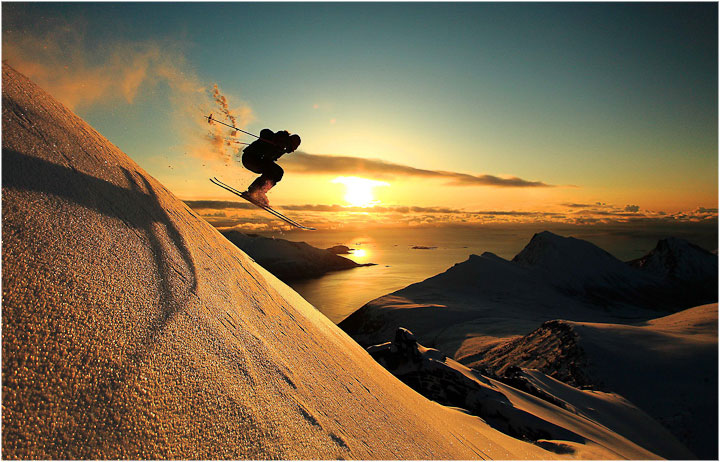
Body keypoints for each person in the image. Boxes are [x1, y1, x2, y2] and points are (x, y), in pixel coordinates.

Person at [241, 129, 301, 206]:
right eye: (292, 148)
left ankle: (259, 192)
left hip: (255, 160)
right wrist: (274, 141)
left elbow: (268, 159)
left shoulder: (282, 148)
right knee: (276, 171)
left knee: (277, 172)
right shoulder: (280, 138)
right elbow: (264, 132)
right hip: (250, 158)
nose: (291, 151)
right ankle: (254, 192)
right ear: (290, 142)